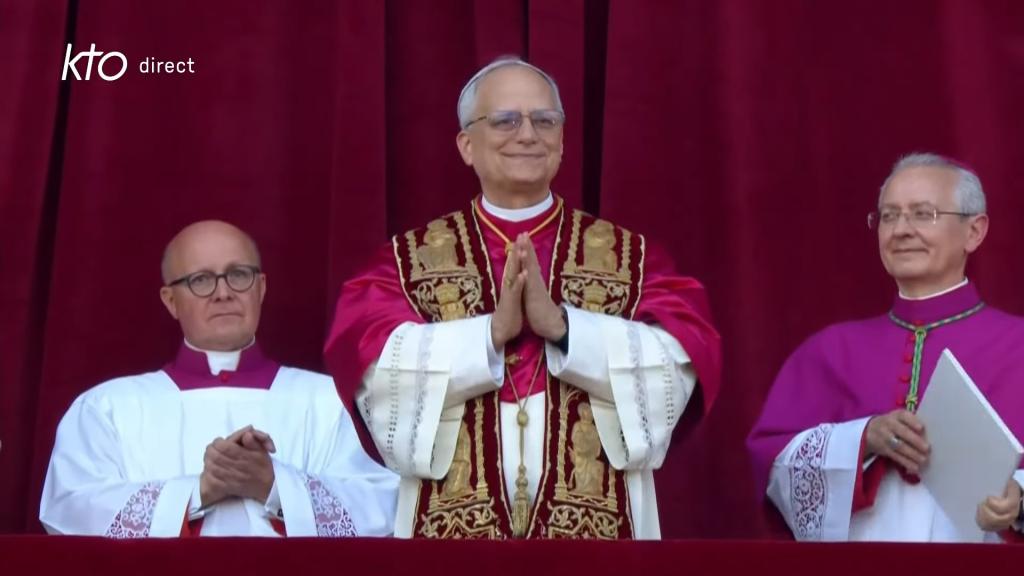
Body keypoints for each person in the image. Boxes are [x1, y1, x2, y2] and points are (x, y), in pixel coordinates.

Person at [324, 57, 721, 539]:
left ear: (562, 141)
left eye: (544, 120)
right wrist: (488, 336)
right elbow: (372, 371)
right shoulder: (406, 263)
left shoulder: (630, 258)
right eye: (506, 120)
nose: (527, 134)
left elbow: (680, 363)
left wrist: (564, 329)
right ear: (466, 145)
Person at [40, 220, 398, 537]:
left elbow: (384, 504)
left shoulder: (329, 401)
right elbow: (70, 506)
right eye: (201, 280)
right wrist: (199, 491)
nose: (223, 292)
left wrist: (274, 486)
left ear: (260, 288)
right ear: (170, 300)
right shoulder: (107, 408)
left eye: (238, 275)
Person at [747, 153, 1024, 542]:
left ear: (974, 232)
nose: (901, 230)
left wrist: (1020, 498)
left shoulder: (1018, 346)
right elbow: (772, 463)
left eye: (923, 214)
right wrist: (862, 438)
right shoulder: (829, 352)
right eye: (889, 216)